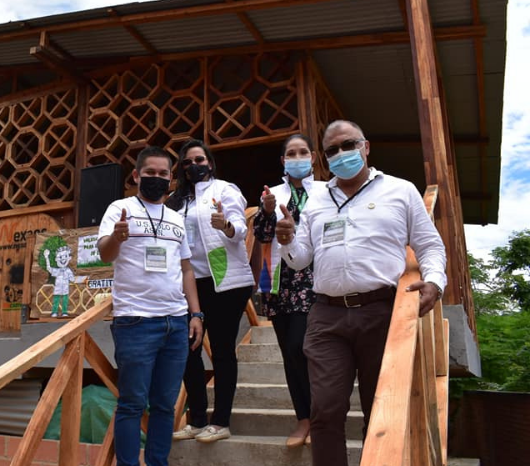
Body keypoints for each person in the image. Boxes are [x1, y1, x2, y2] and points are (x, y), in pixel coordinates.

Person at [275, 120, 447, 466]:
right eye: (332, 150)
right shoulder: (317, 198)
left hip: (382, 313)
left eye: (348, 145)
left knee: (380, 409)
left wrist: (434, 282)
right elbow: (300, 260)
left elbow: (429, 245)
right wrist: (287, 239)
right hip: (326, 316)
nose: (341, 154)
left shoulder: (400, 190)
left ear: (366, 147)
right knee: (324, 410)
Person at [98, 145, 204, 466]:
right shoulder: (120, 208)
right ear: (136, 175)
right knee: (131, 403)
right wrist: (116, 237)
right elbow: (104, 254)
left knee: (164, 404)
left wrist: (195, 313)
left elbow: (186, 268)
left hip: (175, 322)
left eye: (163, 174)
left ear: (171, 178)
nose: (157, 178)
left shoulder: (175, 218)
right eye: (150, 173)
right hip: (135, 320)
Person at [166, 139, 255, 443]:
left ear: (210, 162)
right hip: (189, 282)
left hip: (225, 281)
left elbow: (240, 228)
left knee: (221, 348)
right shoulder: (175, 201)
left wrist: (227, 225)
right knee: (187, 348)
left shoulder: (225, 190)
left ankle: (221, 421)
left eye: (199, 159)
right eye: (187, 162)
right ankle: (197, 419)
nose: (194, 166)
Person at [252, 133, 326, 447]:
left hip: (320, 278)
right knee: (291, 352)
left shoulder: (327, 191)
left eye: (303, 152)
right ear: (283, 160)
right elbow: (260, 234)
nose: (297, 158)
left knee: (309, 347)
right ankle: (304, 419)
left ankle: (322, 418)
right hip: (282, 281)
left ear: (313, 156)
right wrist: (267, 212)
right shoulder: (273, 193)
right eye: (291, 153)